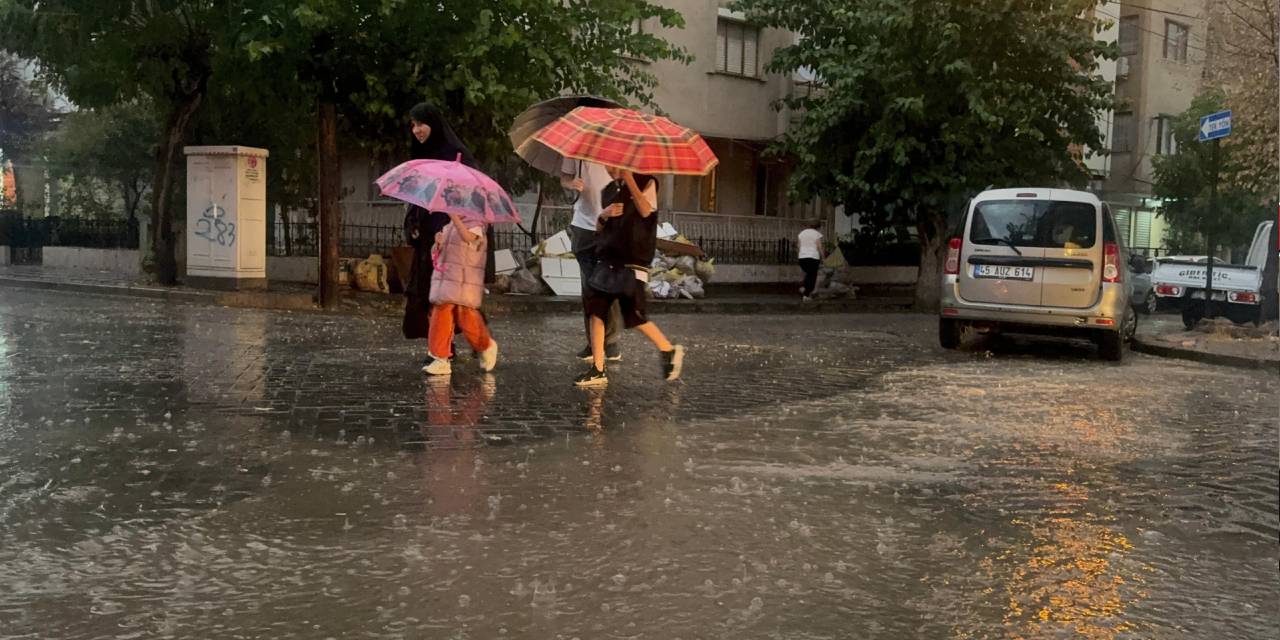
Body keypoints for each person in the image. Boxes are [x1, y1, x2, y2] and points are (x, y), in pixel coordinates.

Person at [575, 167, 684, 387]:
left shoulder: (647, 182)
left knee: (634, 316)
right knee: (595, 311)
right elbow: (599, 227)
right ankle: (597, 368)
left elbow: (645, 210)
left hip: (632, 261)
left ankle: (668, 350)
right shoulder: (609, 190)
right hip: (608, 259)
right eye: (607, 165)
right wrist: (604, 215)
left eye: (614, 165)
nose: (609, 168)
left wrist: (630, 180)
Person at [402, 103, 477, 349]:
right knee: (428, 293)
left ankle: (458, 345)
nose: (416, 130)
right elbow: (419, 195)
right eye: (413, 125)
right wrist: (414, 222)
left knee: (445, 295)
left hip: (449, 231)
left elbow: (466, 197)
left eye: (421, 124)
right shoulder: (422, 155)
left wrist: (446, 227)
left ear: (433, 124)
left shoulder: (455, 154)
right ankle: (443, 347)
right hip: (427, 235)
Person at [562, 159, 623, 362]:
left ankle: (611, 341)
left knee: (607, 286)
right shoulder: (576, 149)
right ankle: (593, 343)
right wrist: (571, 184)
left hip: (610, 226)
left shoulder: (616, 145)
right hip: (583, 226)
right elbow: (564, 178)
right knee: (589, 288)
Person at [424, 212, 498, 376]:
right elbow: (439, 253)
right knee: (440, 316)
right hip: (448, 279)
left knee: (466, 317)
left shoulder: (476, 223)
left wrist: (455, 218)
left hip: (465, 281)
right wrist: (437, 244)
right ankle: (440, 358)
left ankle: (485, 345)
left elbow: (469, 238)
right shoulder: (449, 226)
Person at [797, 220, 826, 301]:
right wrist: (823, 258)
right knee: (812, 276)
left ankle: (804, 291)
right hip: (813, 257)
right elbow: (819, 247)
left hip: (802, 257)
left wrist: (799, 256)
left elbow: (799, 246)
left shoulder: (801, 233)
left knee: (807, 274)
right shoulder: (816, 234)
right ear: (818, 227)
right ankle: (806, 295)